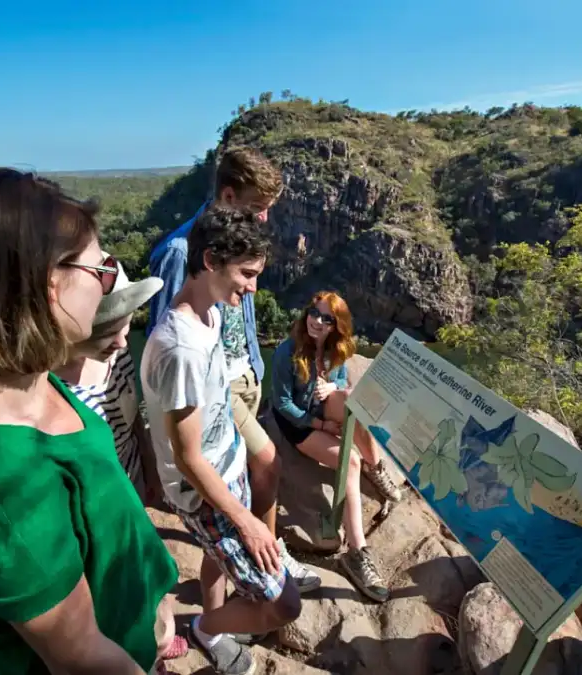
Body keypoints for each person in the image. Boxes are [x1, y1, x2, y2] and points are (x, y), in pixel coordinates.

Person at [0, 168, 179, 675]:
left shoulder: (30, 377)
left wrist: (156, 602)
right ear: (44, 283)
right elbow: (80, 658)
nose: (108, 285)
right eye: (100, 272)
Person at [147, 146, 319, 594]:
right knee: (266, 462)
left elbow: (237, 310)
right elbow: (171, 338)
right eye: (257, 208)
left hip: (244, 378)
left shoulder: (239, 245)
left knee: (242, 476)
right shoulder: (181, 250)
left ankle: (227, 573)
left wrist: (255, 369)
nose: (264, 219)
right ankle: (265, 553)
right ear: (228, 194)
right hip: (213, 389)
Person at [142, 205, 302, 675]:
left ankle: (213, 626)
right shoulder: (180, 348)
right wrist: (249, 522)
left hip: (228, 468)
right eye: (247, 274)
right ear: (210, 260)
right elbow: (188, 458)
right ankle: (207, 629)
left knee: (220, 564)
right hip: (207, 493)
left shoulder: (209, 315)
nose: (253, 287)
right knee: (284, 604)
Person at [270, 291, 403, 603]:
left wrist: (333, 388)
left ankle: (378, 468)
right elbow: (282, 403)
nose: (317, 321)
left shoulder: (336, 351)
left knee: (350, 401)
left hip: (322, 411)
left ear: (336, 325)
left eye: (326, 318)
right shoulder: (287, 352)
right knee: (350, 463)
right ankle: (357, 552)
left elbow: (341, 386)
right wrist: (321, 426)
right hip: (299, 424)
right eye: (313, 313)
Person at [54, 257, 165, 506]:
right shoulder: (54, 393)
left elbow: (133, 415)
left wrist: (149, 466)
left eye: (124, 327)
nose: (122, 343)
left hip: (131, 474)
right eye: (105, 332)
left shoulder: (117, 356)